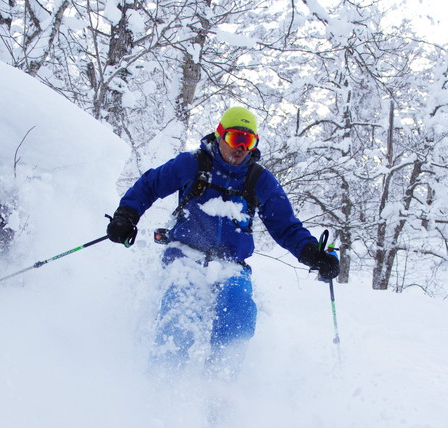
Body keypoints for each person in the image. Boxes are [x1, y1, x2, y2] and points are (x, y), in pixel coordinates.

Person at [107, 106, 339, 378]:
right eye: (235, 138)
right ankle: (162, 383)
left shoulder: (258, 180)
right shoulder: (192, 163)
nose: (240, 148)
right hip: (185, 255)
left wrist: (313, 254)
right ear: (220, 136)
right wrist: (126, 215)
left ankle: (221, 387)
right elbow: (150, 185)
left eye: (248, 141)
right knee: (181, 315)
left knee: (239, 312)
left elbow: (286, 225)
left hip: (232, 264)